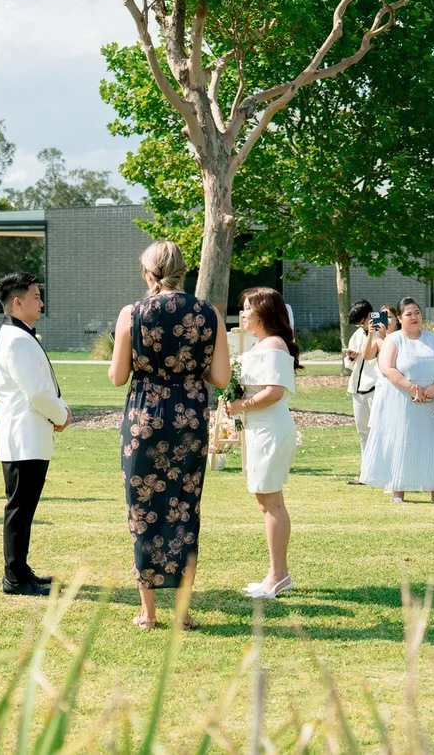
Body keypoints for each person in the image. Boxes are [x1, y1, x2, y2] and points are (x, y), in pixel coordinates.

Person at [108, 240, 230, 631]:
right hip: (189, 418)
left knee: (143, 510)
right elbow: (221, 378)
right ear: (184, 271)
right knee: (183, 509)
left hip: (144, 416)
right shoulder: (209, 313)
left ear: (148, 274)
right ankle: (183, 612)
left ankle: (148, 613)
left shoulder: (132, 313)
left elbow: (117, 377)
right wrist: (190, 370)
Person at [0, 272, 70, 596]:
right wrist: (62, 414)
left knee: (24, 508)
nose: (41, 302)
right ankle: (14, 577)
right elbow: (37, 394)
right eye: (36, 296)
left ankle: (21, 569)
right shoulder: (18, 340)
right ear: (17, 302)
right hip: (24, 439)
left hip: (28, 437)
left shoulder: (20, 337)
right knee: (20, 508)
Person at [231, 287, 298, 600]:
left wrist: (240, 405)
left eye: (248, 308)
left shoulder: (274, 344)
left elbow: (275, 391)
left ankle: (279, 575)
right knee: (267, 501)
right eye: (243, 308)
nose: (244, 313)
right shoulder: (260, 344)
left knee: (271, 503)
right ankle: (276, 572)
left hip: (270, 429)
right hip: (259, 429)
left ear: (264, 313)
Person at [360, 298, 434, 503]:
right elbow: (388, 368)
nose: (414, 317)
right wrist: (412, 388)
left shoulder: (431, 338)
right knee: (402, 440)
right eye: (409, 314)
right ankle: (398, 489)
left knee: (432, 442)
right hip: (402, 397)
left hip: (430, 398)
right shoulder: (393, 339)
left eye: (417, 312)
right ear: (399, 318)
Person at [343, 300, 393, 483]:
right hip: (357, 387)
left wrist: (374, 334)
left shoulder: (383, 333)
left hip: (375, 386)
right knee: (363, 433)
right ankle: (366, 472)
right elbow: (348, 364)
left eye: (362, 320)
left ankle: (383, 472)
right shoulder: (357, 335)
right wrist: (350, 358)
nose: (361, 325)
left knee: (379, 431)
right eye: (359, 323)